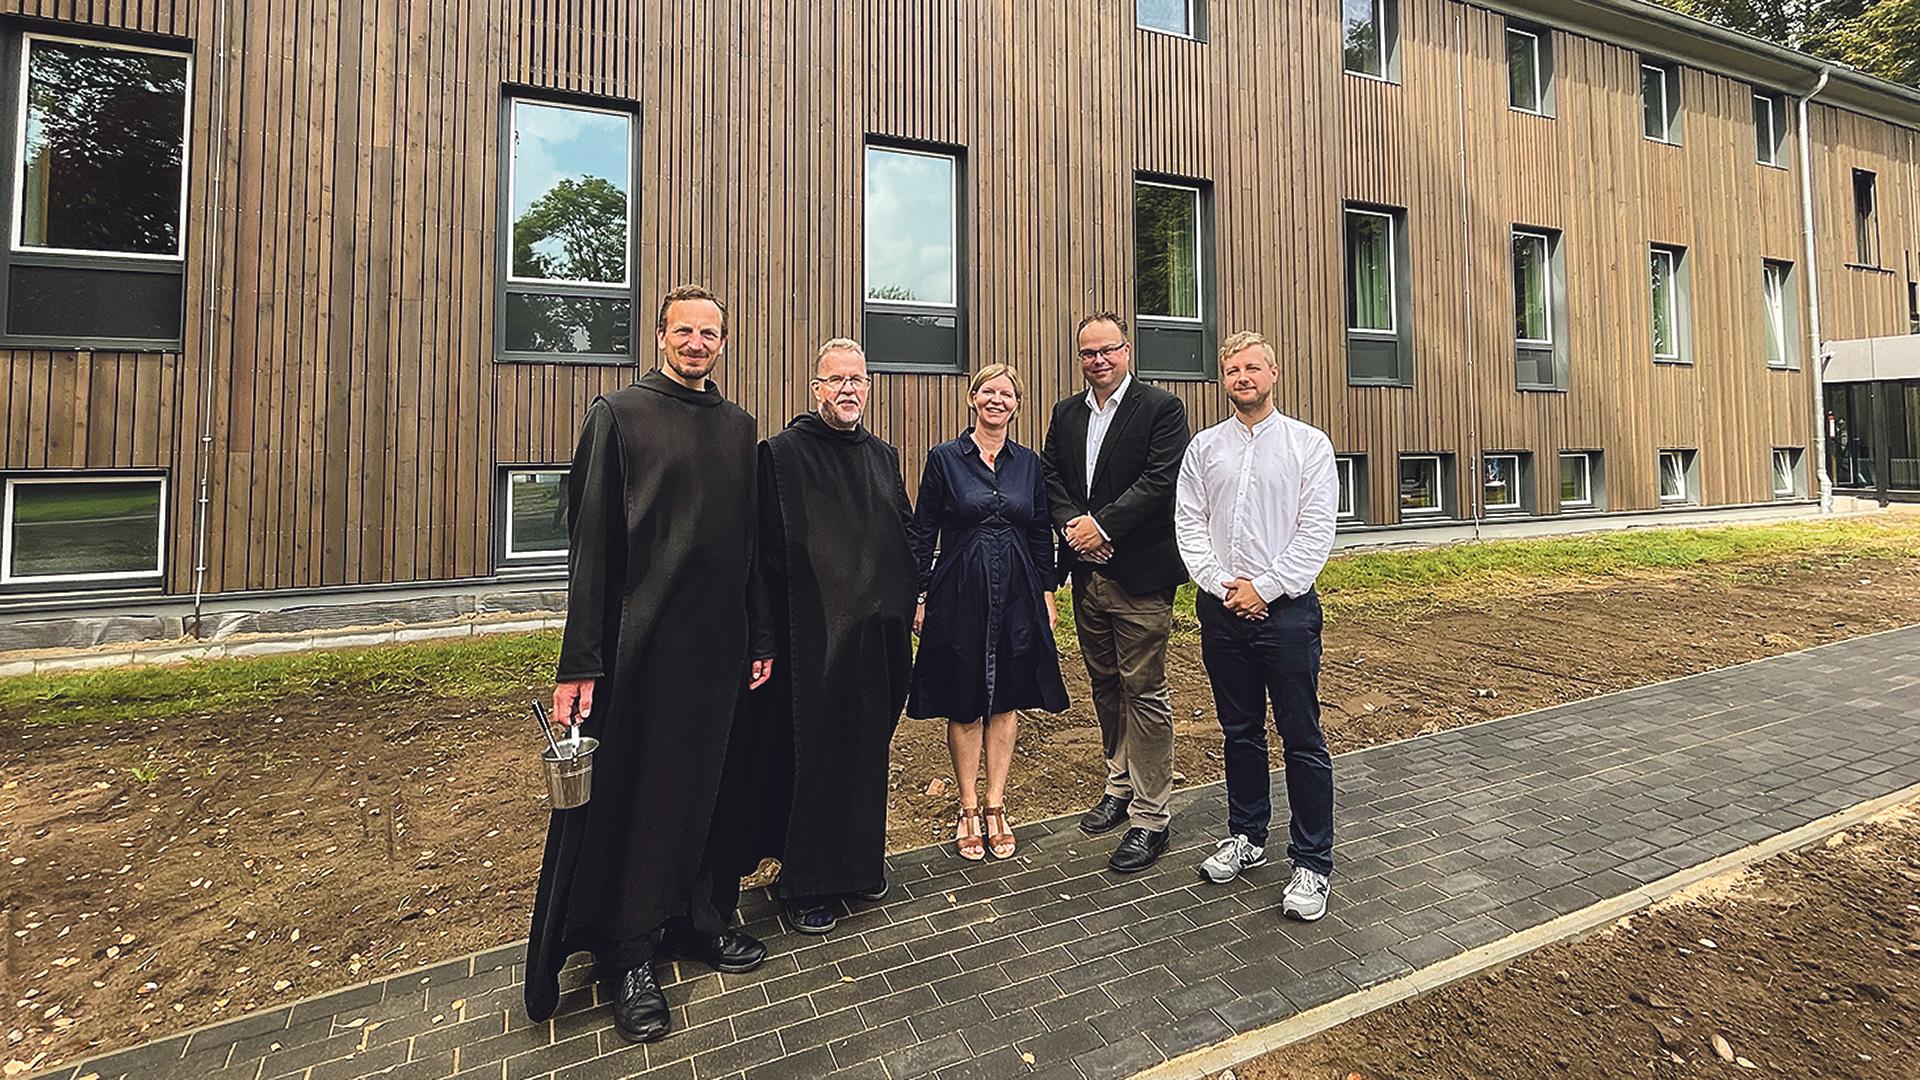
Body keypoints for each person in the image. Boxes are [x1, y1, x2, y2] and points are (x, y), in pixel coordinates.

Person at [524, 285, 775, 1043]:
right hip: (641, 651)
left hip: (719, 652)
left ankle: (699, 918)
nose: (697, 343)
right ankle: (628, 956)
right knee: (642, 801)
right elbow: (591, 549)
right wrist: (581, 662)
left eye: (711, 333)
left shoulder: (738, 428)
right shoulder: (619, 417)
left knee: (709, 791)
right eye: (685, 331)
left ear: (725, 343)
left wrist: (759, 637)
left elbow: (752, 548)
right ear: (661, 335)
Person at [743, 338, 917, 935]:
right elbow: (763, 558)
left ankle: (858, 864)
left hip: (875, 639)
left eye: (858, 380)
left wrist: (914, 598)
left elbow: (902, 533)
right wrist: (763, 639)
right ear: (815, 388)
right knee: (812, 759)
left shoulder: (882, 456)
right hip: (810, 641)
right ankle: (805, 883)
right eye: (836, 379)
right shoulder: (781, 456)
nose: (849, 390)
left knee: (867, 754)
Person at [1174, 331, 1339, 922]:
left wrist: (1262, 589)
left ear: (1274, 372)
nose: (1241, 377)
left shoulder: (1307, 446)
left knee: (1302, 736)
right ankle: (1246, 835)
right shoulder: (1204, 448)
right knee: (1239, 732)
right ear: (1223, 379)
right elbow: (1189, 525)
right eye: (1232, 370)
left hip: (1286, 613)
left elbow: (1316, 531)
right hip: (1222, 612)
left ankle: (1312, 863)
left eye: (1252, 367)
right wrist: (1223, 586)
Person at [1041, 313, 1191, 873]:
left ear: (1127, 350)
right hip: (1086, 572)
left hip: (1140, 575)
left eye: (1107, 350)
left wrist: (1101, 527)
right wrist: (1073, 527)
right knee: (1104, 682)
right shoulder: (1066, 412)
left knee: (1144, 688)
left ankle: (1153, 816)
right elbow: (1051, 475)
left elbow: (1160, 479)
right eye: (1087, 353)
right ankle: (1120, 782)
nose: (1097, 360)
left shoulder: (1161, 408)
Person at [908, 364, 1069, 861]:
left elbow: (1041, 530)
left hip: (1019, 590)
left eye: (1007, 394)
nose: (997, 400)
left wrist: (1047, 592)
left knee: (1006, 699)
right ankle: (968, 806)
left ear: (1017, 405)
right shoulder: (944, 459)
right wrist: (919, 595)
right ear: (973, 398)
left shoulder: (1029, 464)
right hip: (959, 588)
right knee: (965, 697)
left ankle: (997, 804)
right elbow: (923, 530)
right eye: (989, 392)